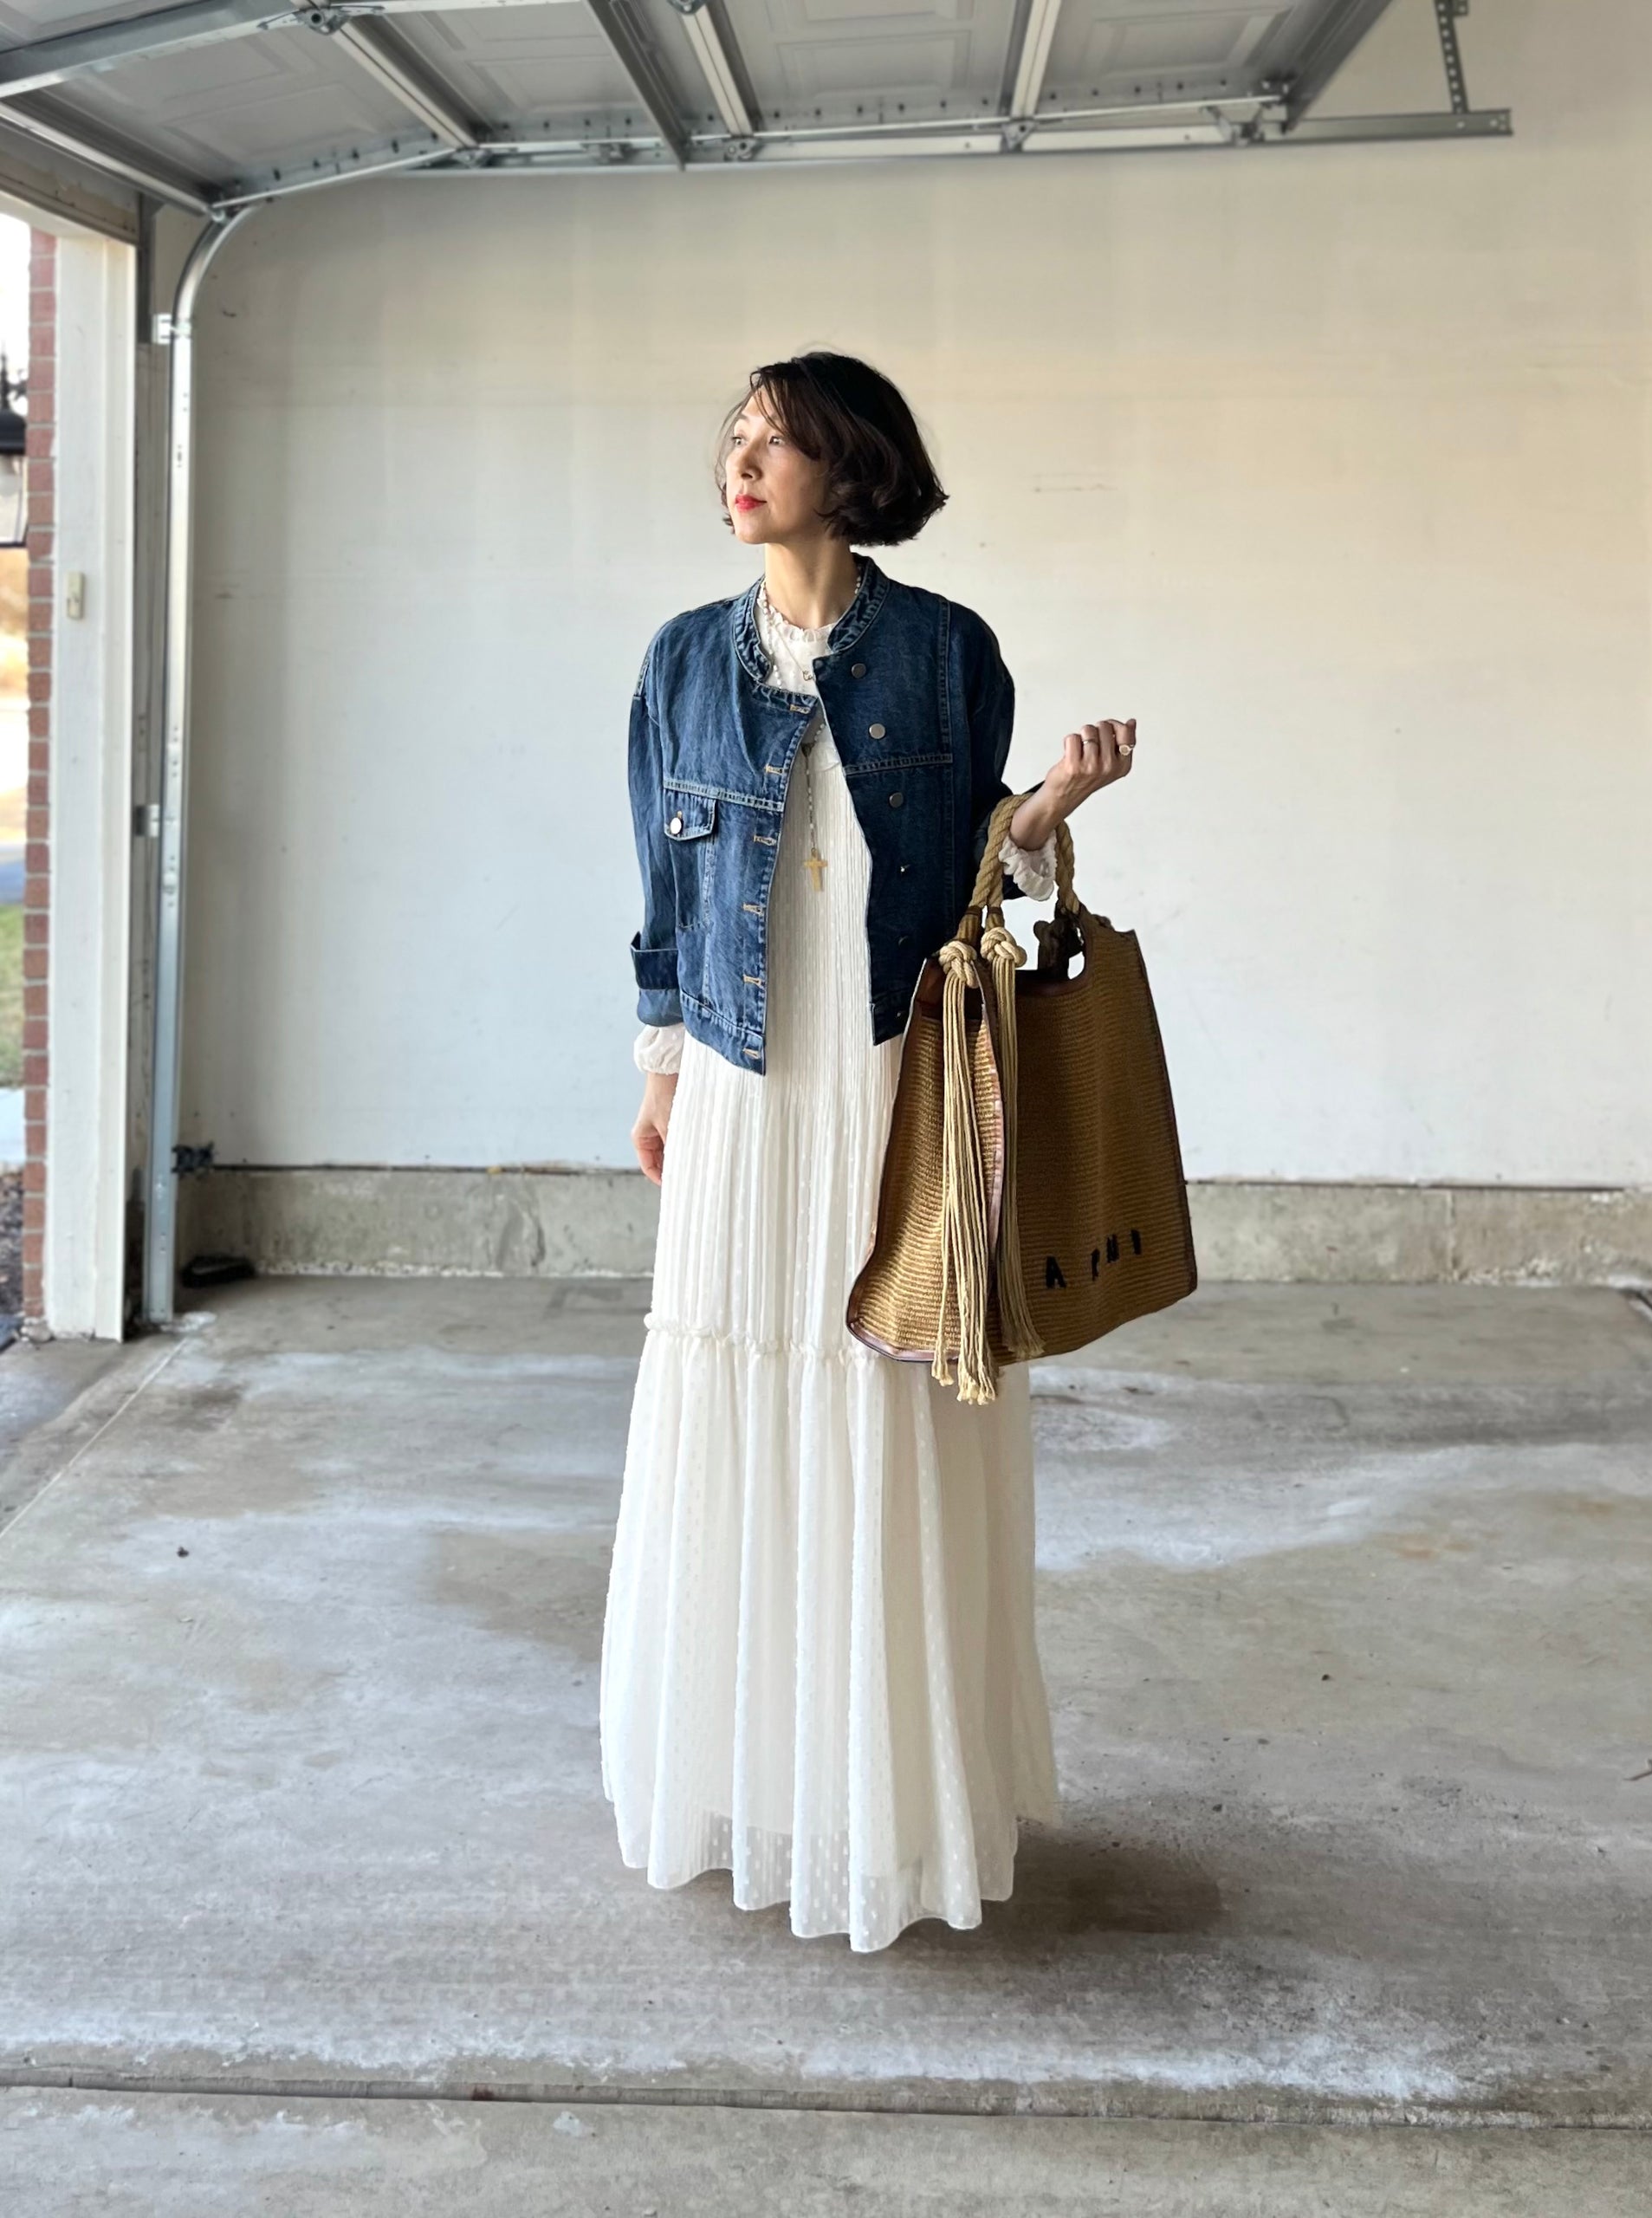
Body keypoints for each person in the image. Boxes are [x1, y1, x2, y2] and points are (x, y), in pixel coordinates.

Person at [599, 350, 1137, 1952]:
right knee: (742, 1385)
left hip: (893, 1074)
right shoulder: (682, 660)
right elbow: (661, 893)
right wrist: (659, 1075)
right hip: (742, 1078)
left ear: (851, 468)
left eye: (775, 441)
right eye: (735, 438)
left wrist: (1046, 811)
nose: (741, 463)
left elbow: (975, 857)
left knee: (888, 1386)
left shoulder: (946, 650)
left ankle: (884, 1793)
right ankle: (749, 1775)